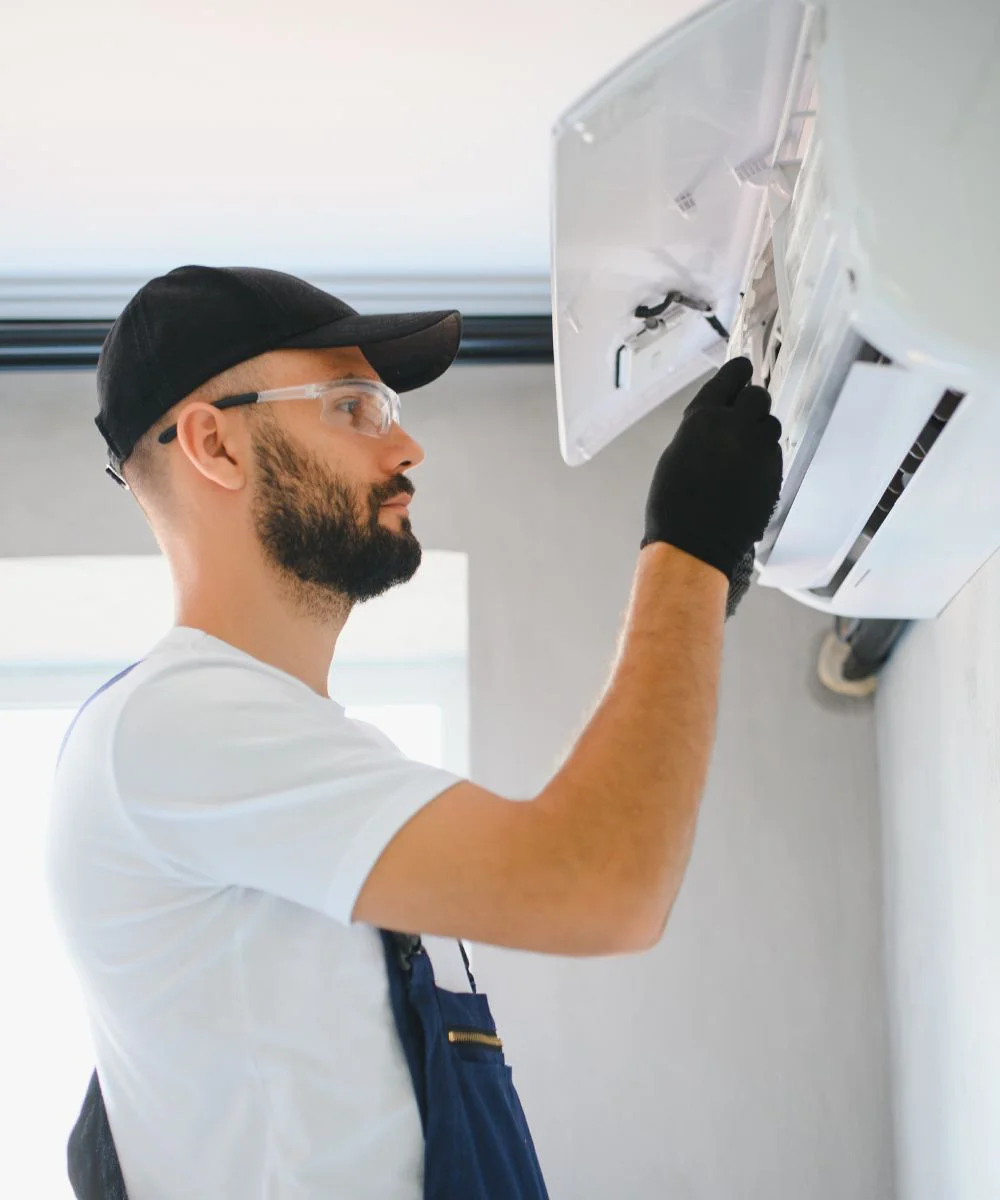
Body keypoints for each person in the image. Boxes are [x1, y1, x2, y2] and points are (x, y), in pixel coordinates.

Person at [46, 265, 783, 1199]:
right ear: (215, 445)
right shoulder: (171, 725)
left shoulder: (283, 755)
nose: (409, 446)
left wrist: (697, 592)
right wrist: (688, 555)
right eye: (354, 407)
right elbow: (600, 886)